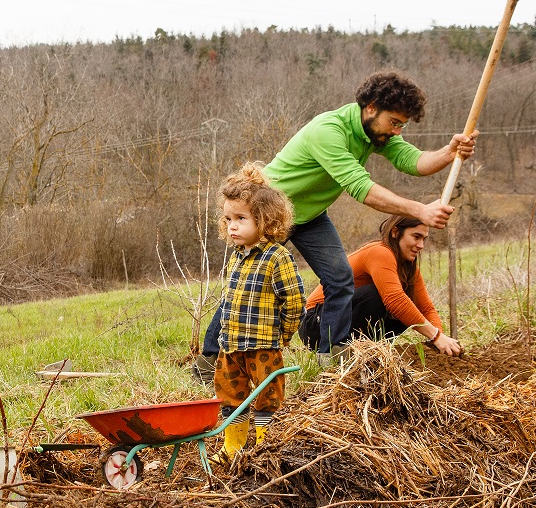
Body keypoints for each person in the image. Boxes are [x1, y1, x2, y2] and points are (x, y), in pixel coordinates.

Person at [194, 71, 477, 377]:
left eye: (402, 125)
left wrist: (449, 153)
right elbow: (360, 186)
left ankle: (332, 355)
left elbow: (413, 161)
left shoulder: (375, 134)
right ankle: (209, 362)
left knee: (340, 278)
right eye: (394, 122)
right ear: (371, 108)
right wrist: (420, 210)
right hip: (270, 211)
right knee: (249, 285)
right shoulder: (329, 130)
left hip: (310, 215)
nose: (397, 131)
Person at [210, 163, 306, 461]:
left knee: (267, 398)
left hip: (263, 344)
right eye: (228, 219)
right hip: (231, 346)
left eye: (240, 218)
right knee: (230, 396)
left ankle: (266, 447)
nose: (232, 226)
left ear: (265, 221)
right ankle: (233, 448)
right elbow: (229, 302)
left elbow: (294, 300)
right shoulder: (237, 258)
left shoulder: (277, 257)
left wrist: (285, 335)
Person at [299, 215, 462, 356]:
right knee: (377, 296)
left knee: (408, 311)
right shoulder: (380, 252)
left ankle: (367, 353)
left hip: (345, 321)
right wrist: (436, 337)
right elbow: (395, 301)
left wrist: (442, 340)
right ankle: (345, 353)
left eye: (424, 239)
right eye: (416, 237)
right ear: (395, 232)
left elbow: (426, 308)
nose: (421, 245)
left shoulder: (408, 267)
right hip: (318, 324)